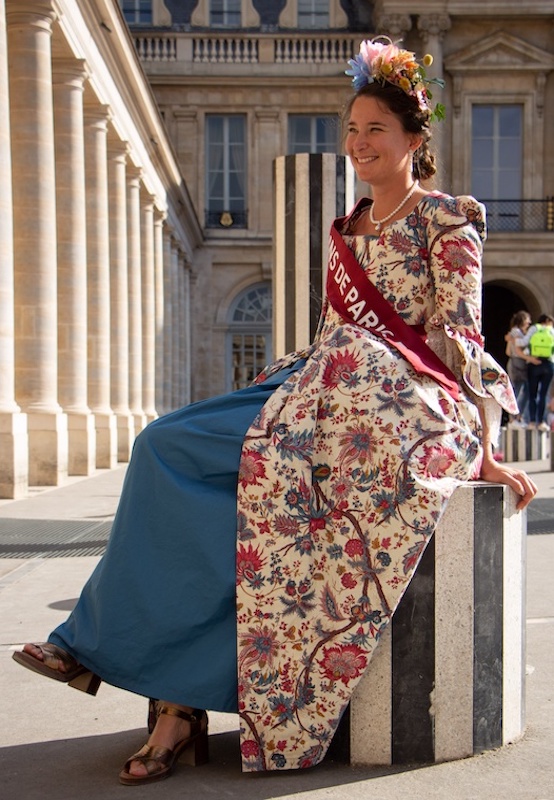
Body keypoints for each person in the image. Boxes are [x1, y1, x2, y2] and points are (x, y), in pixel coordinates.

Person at [12, 38, 538, 784]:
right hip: (317, 385)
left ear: (416, 139)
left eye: (375, 130)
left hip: (398, 402)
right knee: (164, 444)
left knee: (265, 489)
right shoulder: (347, 228)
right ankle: (106, 651)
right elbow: (329, 333)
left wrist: (485, 447)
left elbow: (457, 336)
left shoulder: (450, 219)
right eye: (351, 130)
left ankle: (169, 703)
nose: (359, 144)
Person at [513, 313, 554, 430]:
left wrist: (515, 338)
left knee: (532, 394)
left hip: (534, 363)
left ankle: (531, 421)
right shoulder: (551, 330)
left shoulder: (534, 329)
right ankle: (541, 422)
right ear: (547, 321)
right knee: (543, 394)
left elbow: (522, 343)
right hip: (549, 364)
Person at [504, 310, 538, 428]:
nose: (529, 322)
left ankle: (514, 418)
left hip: (514, 362)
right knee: (521, 391)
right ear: (523, 320)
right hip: (518, 363)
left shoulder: (514, 332)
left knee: (517, 391)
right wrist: (530, 358)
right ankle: (515, 418)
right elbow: (517, 351)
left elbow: (508, 351)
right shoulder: (517, 332)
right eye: (527, 319)